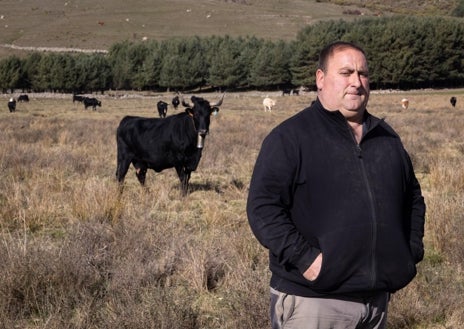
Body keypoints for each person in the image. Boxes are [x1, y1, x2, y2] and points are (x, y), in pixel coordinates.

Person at [246, 41, 426, 329]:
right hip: (314, 302)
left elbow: (413, 199)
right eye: (346, 72)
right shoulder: (290, 137)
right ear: (321, 79)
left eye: (363, 74)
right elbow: (263, 208)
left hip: (376, 302)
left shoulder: (387, 138)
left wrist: (410, 250)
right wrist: (307, 260)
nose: (356, 82)